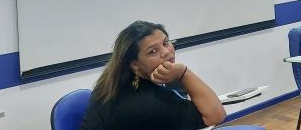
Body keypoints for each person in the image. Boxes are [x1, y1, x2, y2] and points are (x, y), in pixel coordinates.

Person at [80, 21, 226, 130]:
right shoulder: (148, 103)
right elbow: (216, 115)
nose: (167, 52)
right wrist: (184, 73)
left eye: (166, 43)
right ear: (135, 64)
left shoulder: (113, 82)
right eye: (153, 51)